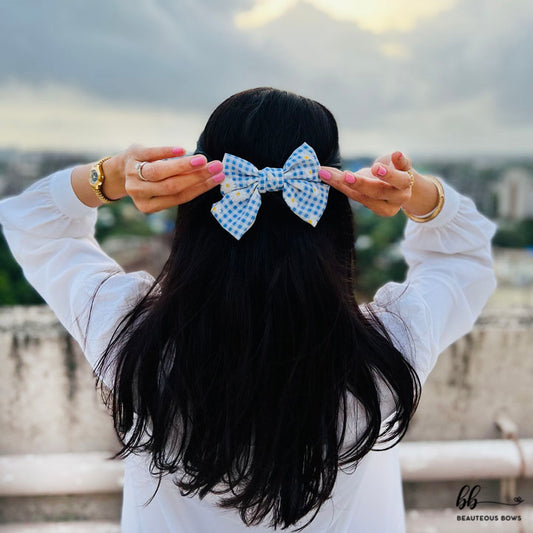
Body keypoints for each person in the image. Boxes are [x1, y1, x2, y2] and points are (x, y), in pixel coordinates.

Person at [0, 87, 497, 532]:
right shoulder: (389, 350)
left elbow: (32, 222)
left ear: (193, 196)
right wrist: (419, 197)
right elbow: (464, 255)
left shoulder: (132, 340)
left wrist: (109, 176)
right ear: (336, 203)